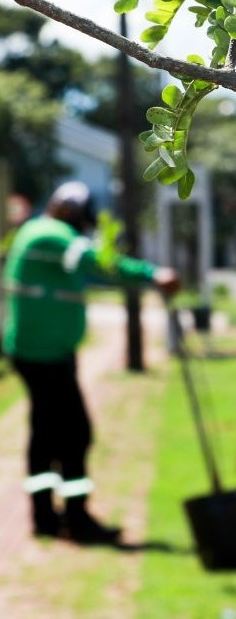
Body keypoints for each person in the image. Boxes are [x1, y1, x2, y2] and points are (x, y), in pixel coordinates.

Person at [2, 181, 180, 543]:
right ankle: (77, 520)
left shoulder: (37, 231)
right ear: (72, 210)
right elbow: (98, 262)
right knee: (74, 433)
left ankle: (46, 518)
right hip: (45, 356)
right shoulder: (53, 236)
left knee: (47, 431)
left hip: (41, 353)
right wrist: (151, 275)